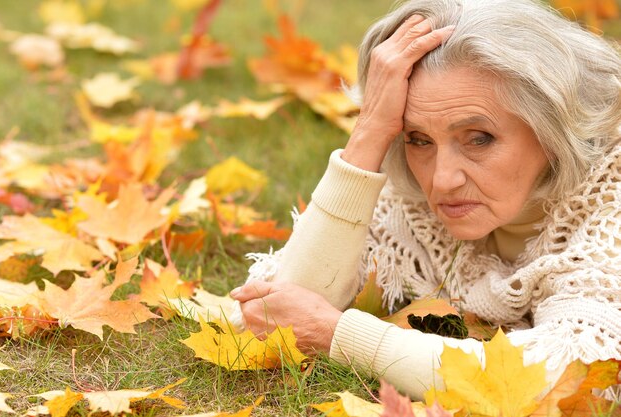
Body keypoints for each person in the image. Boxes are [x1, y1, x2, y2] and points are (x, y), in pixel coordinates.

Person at [230, 0, 621, 399]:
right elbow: (271, 310)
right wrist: (369, 132)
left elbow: (577, 376)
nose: (442, 179)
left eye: (479, 138)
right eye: (418, 139)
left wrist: (338, 335)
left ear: (555, 127)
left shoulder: (611, 201)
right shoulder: (412, 200)